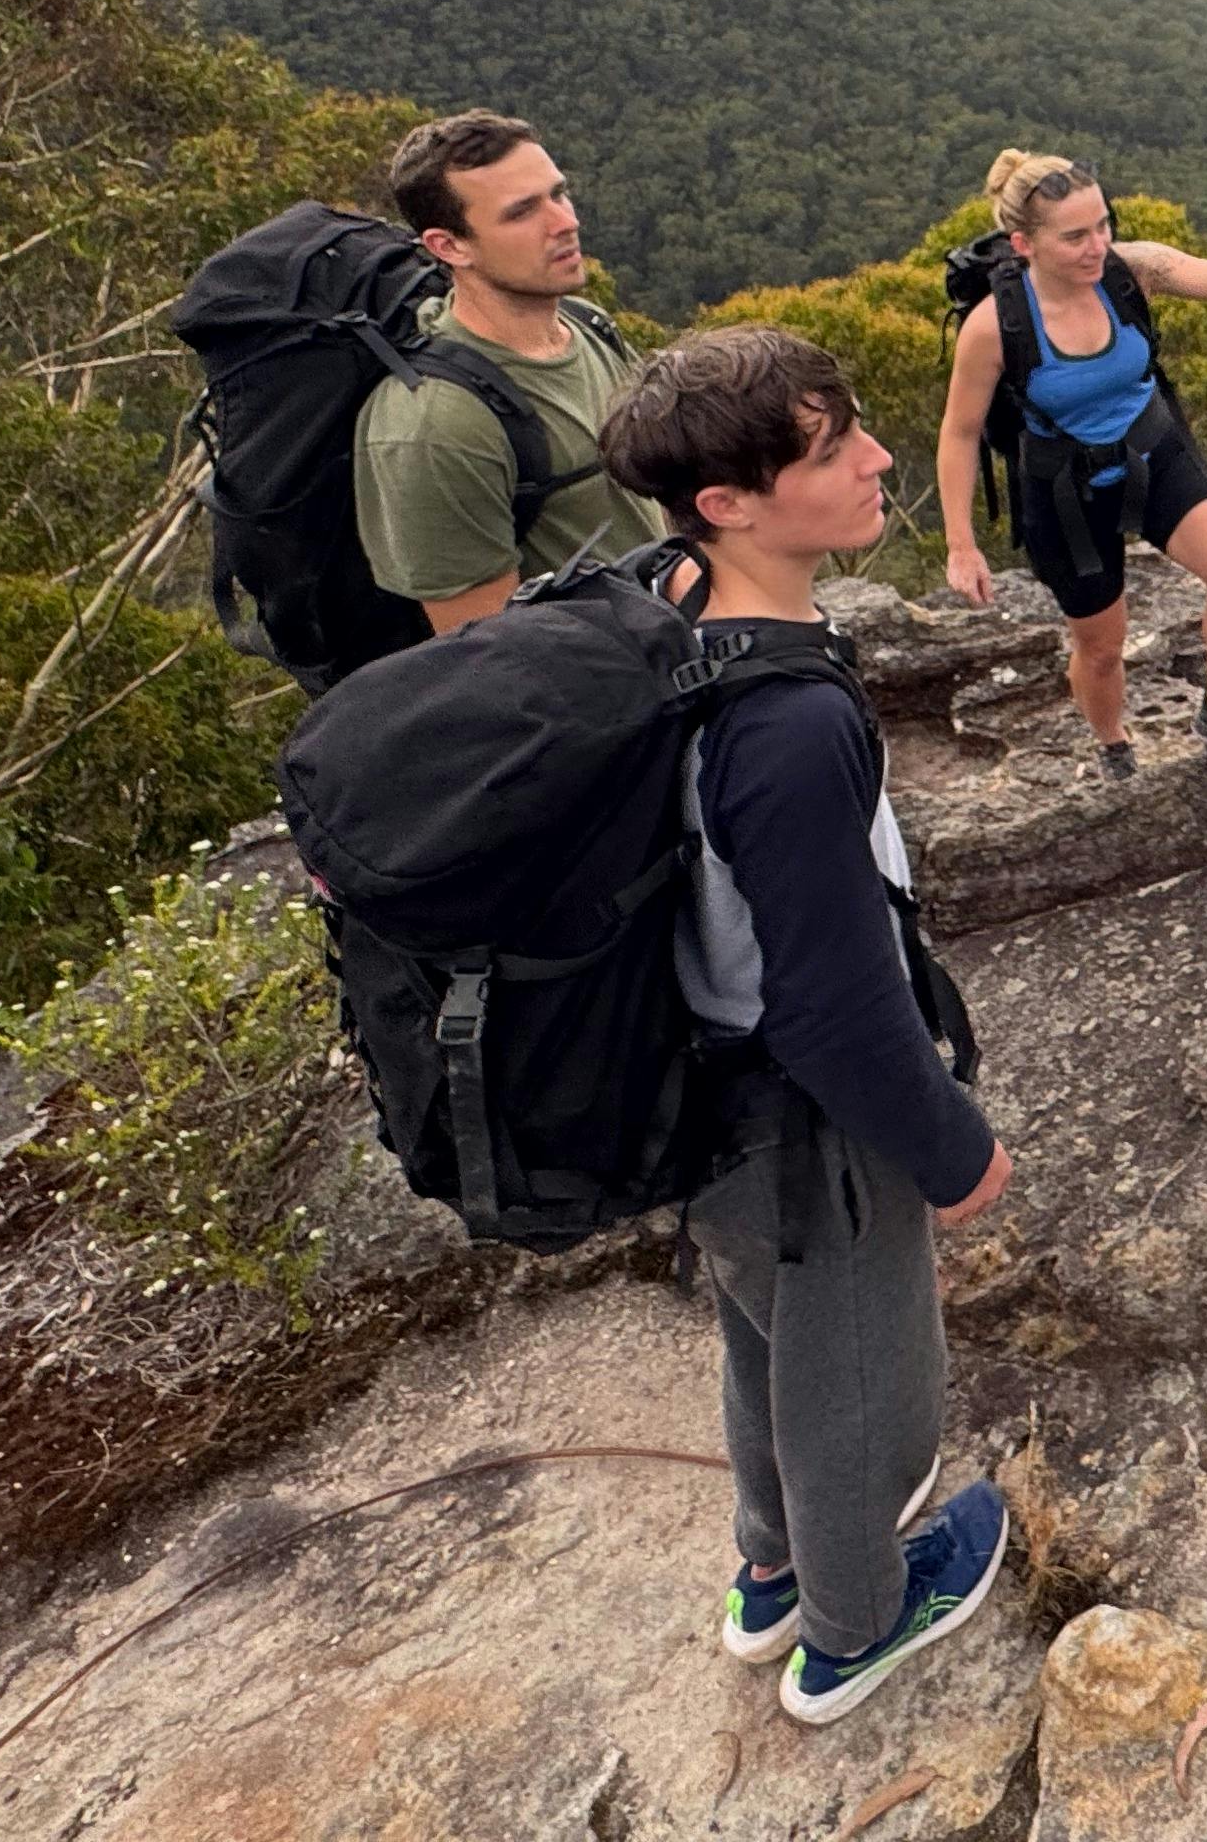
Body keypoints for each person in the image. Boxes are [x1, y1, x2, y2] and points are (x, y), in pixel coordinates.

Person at [597, 322, 1014, 1726]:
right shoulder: (784, 727)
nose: (880, 459)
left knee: (763, 1334)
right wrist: (953, 1150)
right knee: (855, 1381)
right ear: (729, 504)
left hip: (692, 1088)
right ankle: (853, 1624)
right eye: (833, 451)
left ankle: (771, 1571)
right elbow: (833, 1008)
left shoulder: (665, 604)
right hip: (795, 1115)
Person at [936, 150, 1207, 783]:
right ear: (1024, 243)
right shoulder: (994, 327)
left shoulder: (1127, 272)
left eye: (1103, 225)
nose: (1097, 245)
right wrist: (961, 545)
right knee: (1102, 651)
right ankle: (1112, 743)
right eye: (1075, 235)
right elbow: (959, 432)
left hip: (1151, 449)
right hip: (1063, 494)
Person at [353, 110, 666, 631]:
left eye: (558, 194)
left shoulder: (591, 327)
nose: (566, 222)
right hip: (597, 700)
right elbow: (489, 658)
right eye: (521, 213)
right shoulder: (437, 425)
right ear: (449, 246)